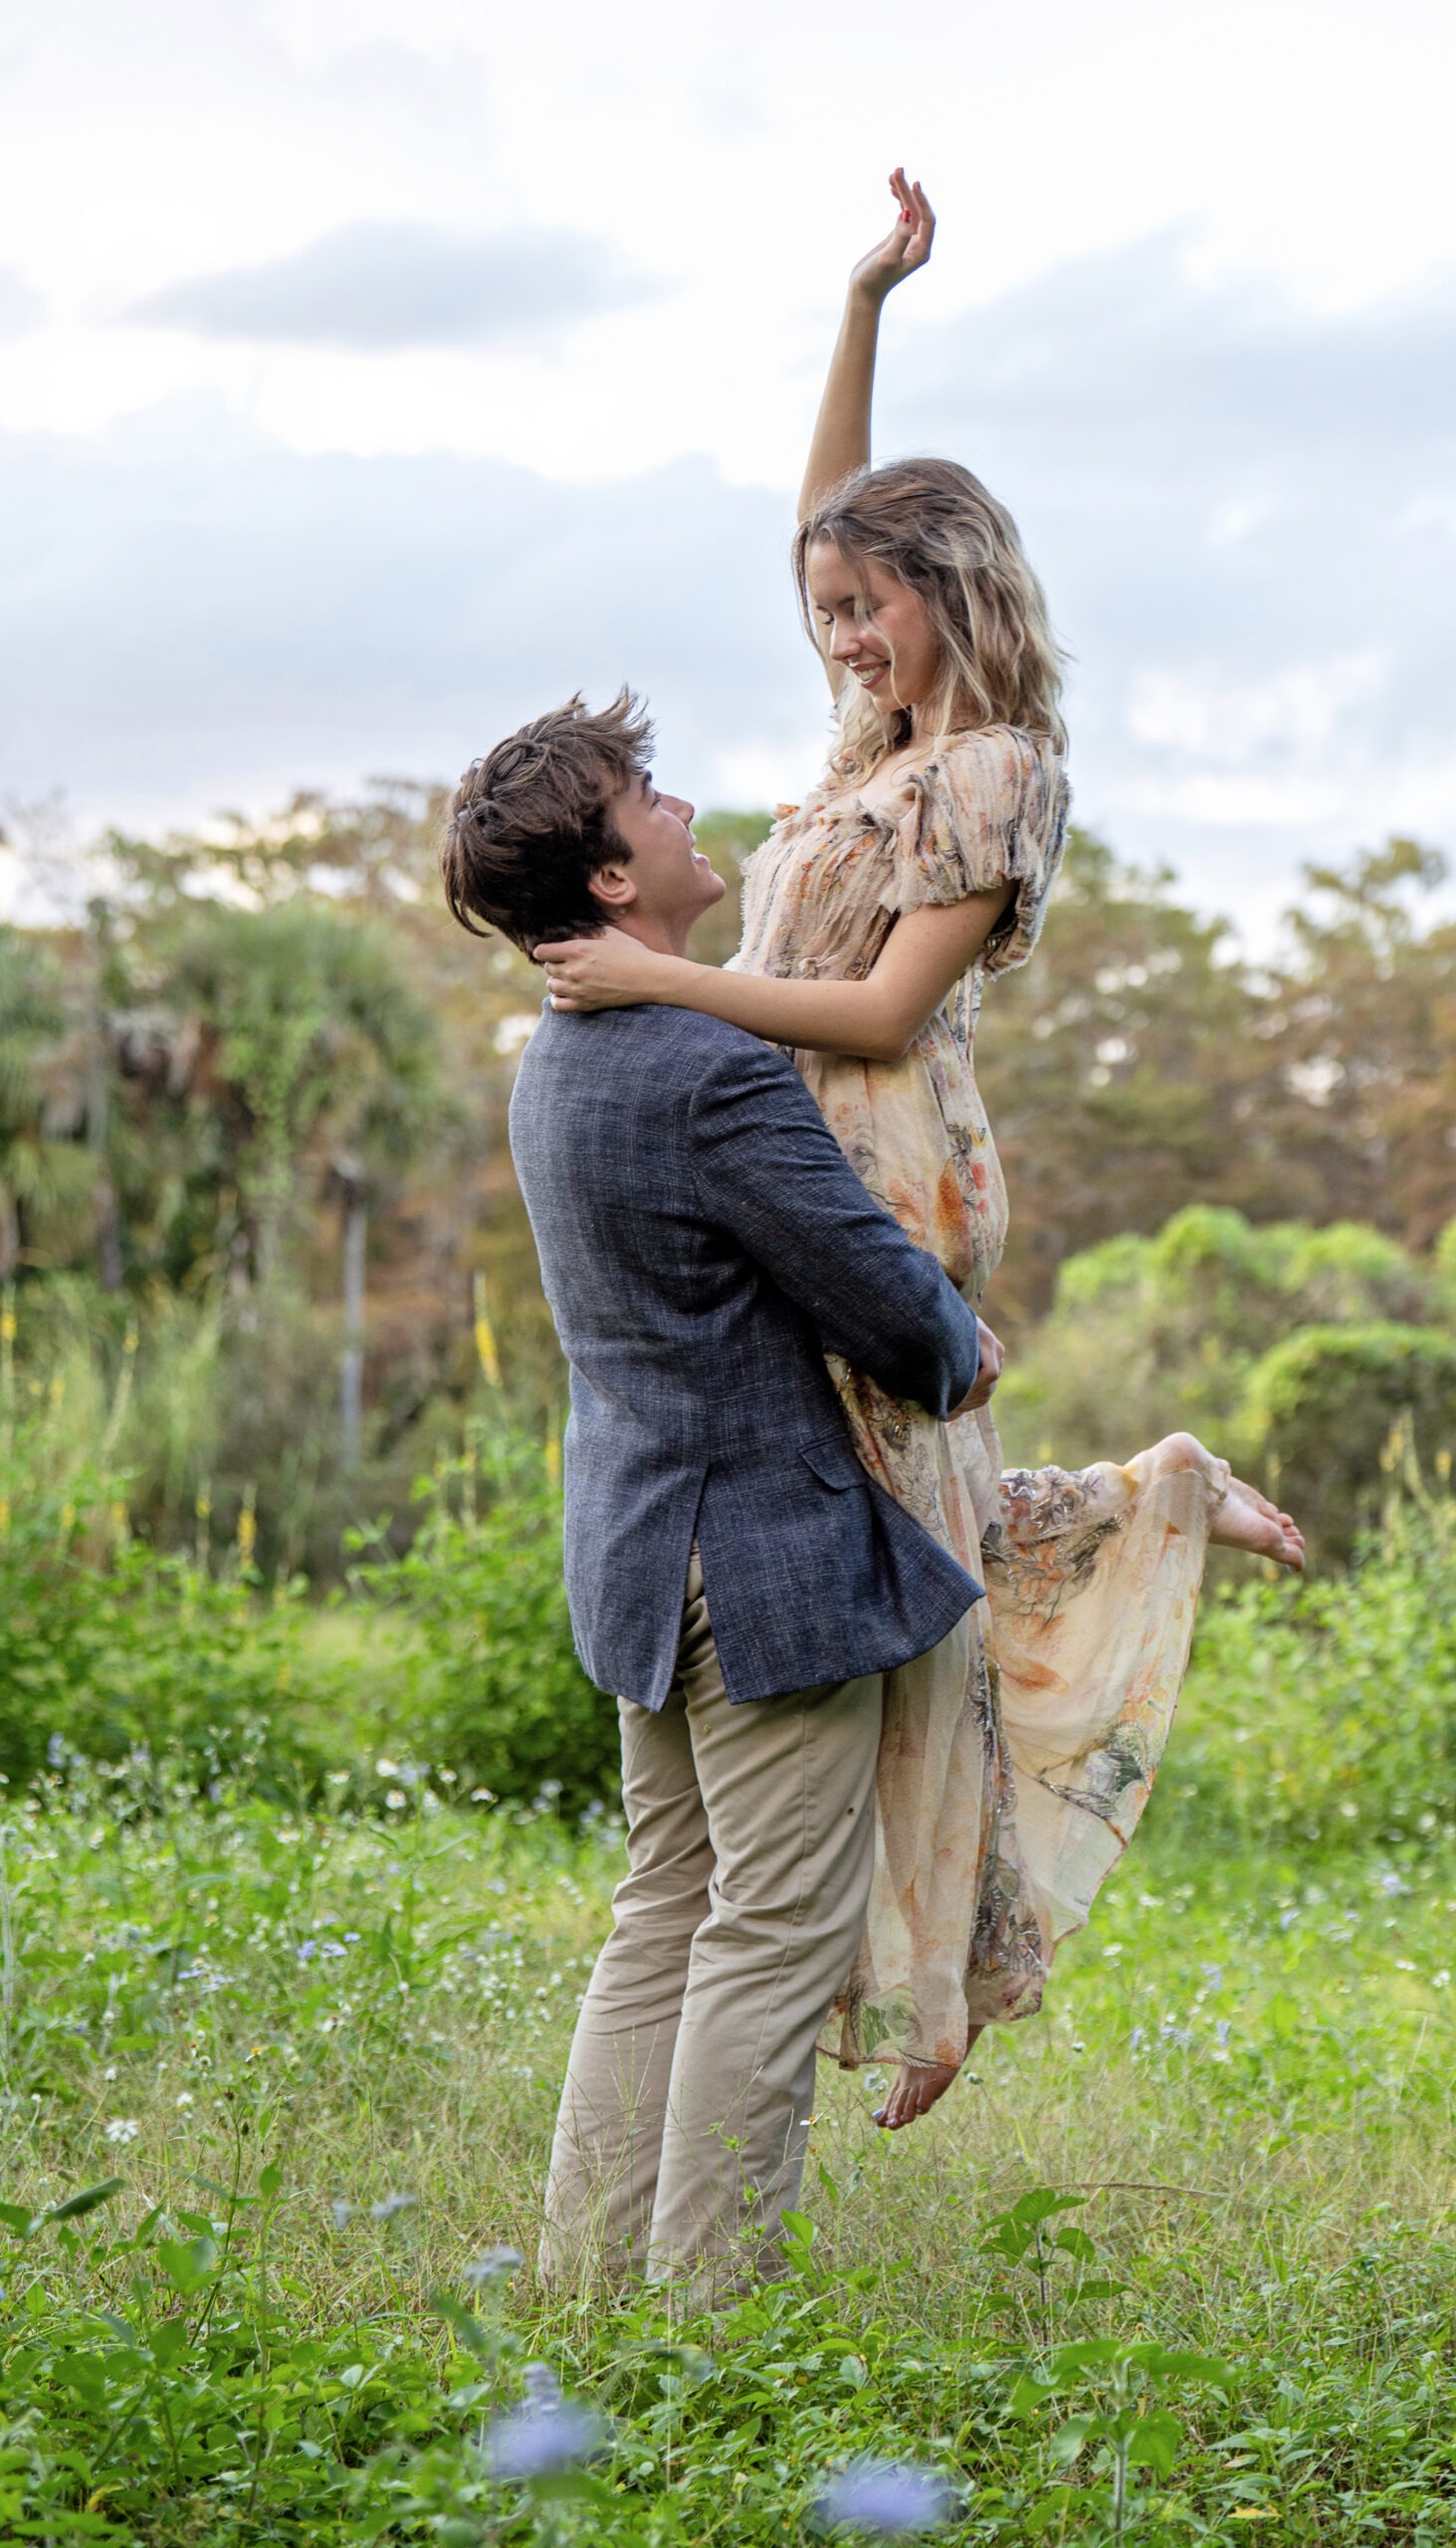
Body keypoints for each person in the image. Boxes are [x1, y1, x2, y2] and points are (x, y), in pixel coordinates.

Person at [536, 172, 1305, 2133]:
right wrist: (861, 297)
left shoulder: (991, 776)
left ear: (947, 595)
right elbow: (827, 503)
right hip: (769, 1136)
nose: (839, 635)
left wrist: (653, 976)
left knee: (908, 1553)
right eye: (820, 614)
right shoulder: (858, 753)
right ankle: (1156, 1499)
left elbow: (879, 1017)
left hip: (877, 1158)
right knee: (901, 1544)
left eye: (867, 604)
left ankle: (942, 1966)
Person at [441, 693, 1001, 2297]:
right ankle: (707, 2320)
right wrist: (962, 1347)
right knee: (766, 1934)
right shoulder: (710, 1065)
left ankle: (589, 2279)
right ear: (615, 883)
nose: (683, 811)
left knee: (666, 1911)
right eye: (650, 800)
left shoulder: (559, 1060)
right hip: (752, 1560)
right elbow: (878, 1297)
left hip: (636, 1549)